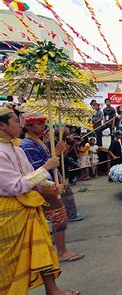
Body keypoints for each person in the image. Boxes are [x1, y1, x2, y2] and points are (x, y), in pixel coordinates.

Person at [0, 106, 80, 295]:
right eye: (15, 121)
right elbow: (15, 186)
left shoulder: (17, 149)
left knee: (42, 249)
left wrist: (50, 186)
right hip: (10, 211)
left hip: (28, 206)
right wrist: (46, 167)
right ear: (2, 125)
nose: (19, 126)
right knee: (10, 262)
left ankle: (52, 290)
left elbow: (31, 176)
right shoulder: (7, 150)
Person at [19, 112, 84, 262]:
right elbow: (37, 170)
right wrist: (57, 154)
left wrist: (61, 151)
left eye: (43, 123)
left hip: (49, 184)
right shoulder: (27, 145)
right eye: (39, 124)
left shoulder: (39, 141)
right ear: (28, 127)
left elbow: (54, 161)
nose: (43, 126)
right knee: (58, 214)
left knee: (57, 215)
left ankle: (55, 249)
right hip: (41, 186)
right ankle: (61, 251)